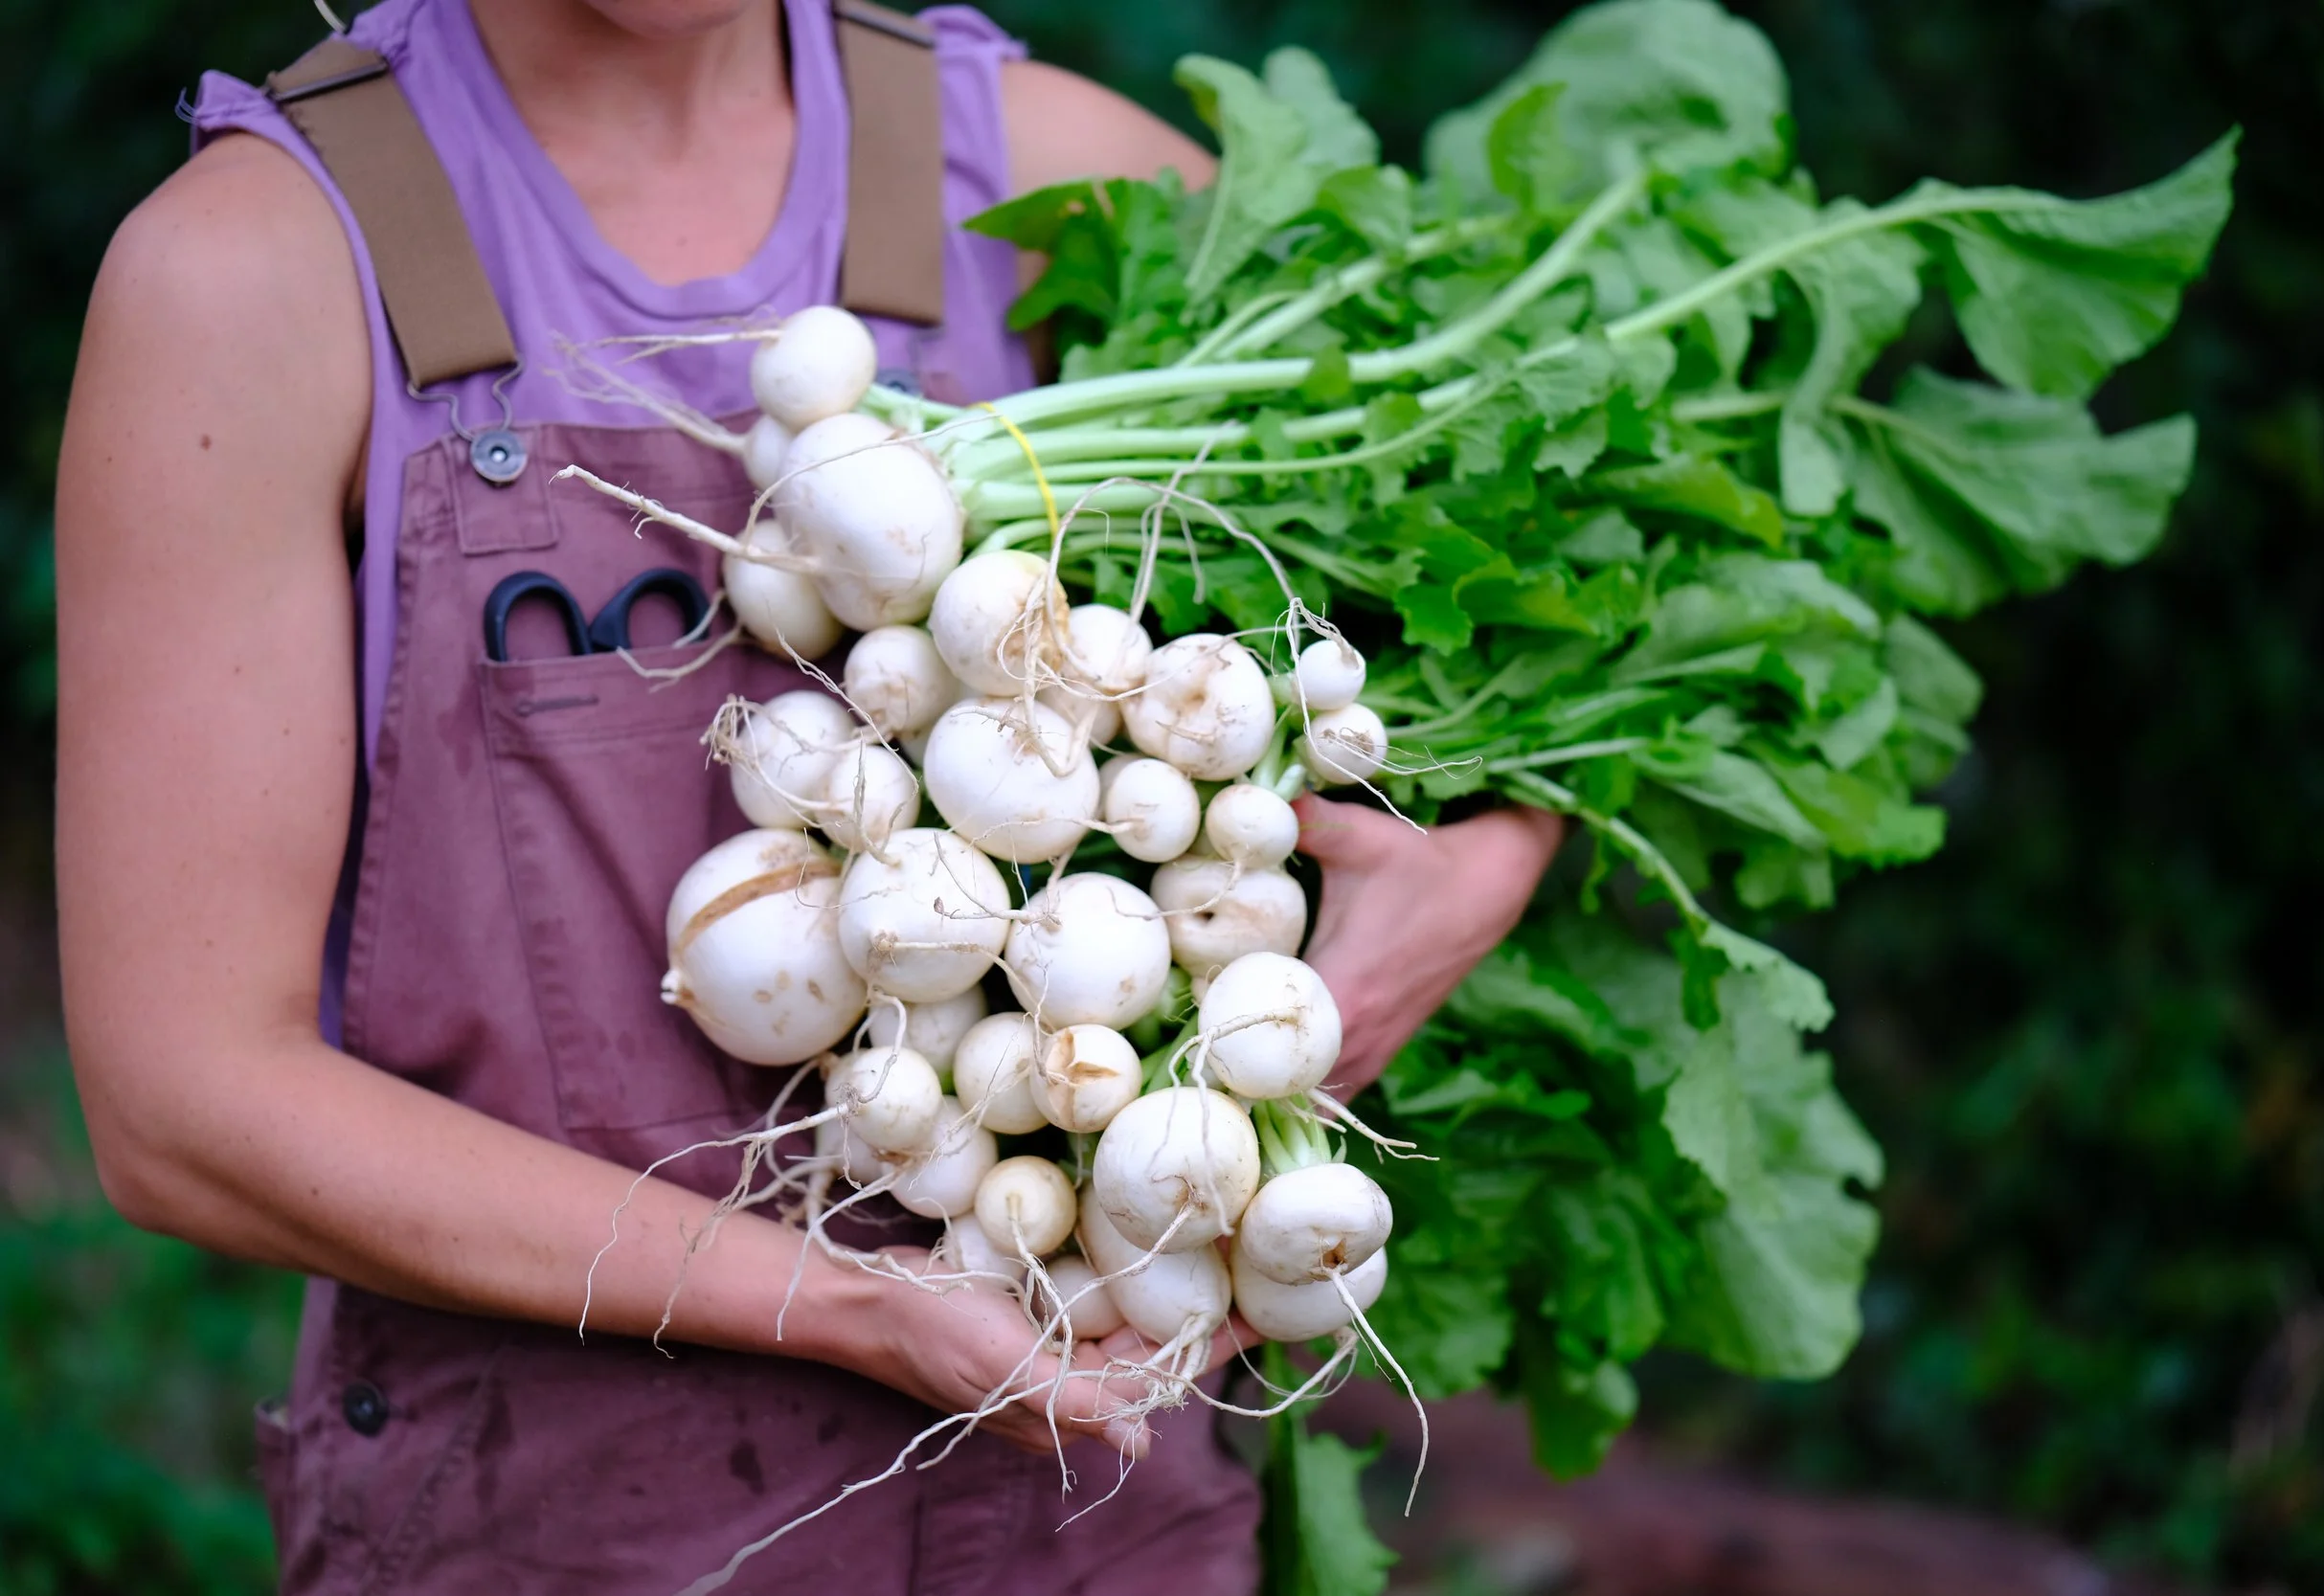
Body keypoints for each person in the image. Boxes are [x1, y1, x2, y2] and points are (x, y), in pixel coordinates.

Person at [53, 0, 1565, 1589]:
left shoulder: (1060, 184)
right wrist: (842, 1301)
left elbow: (1542, 553)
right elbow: (185, 1108)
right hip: (545, 1524)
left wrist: (1491, 868)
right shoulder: (255, 276)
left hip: (1100, 1520)